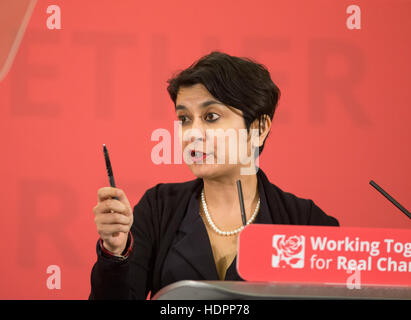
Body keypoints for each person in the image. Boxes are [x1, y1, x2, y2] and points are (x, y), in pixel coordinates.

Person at [89, 51, 339, 300]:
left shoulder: (308, 223)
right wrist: (115, 253)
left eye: (211, 117)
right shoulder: (158, 207)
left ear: (258, 129)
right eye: (185, 119)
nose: (191, 134)